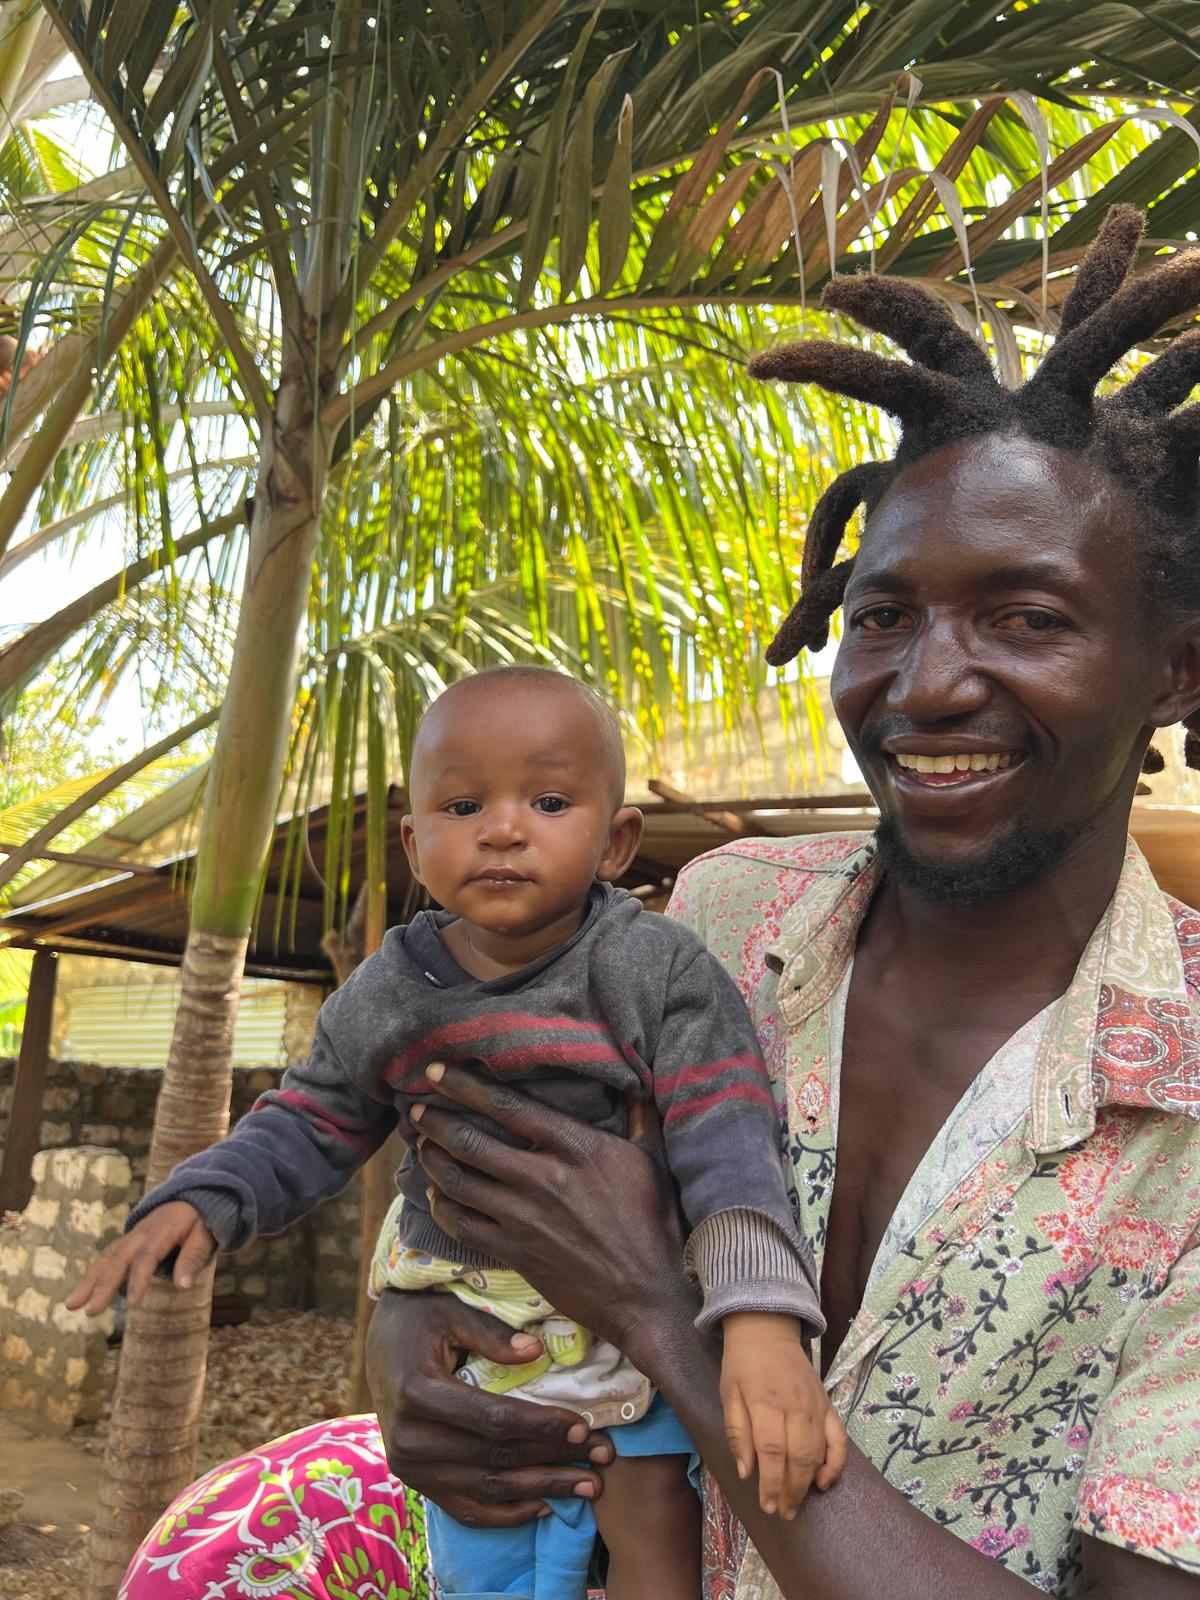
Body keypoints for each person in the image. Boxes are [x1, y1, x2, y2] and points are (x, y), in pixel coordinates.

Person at [116, 204, 1200, 1600]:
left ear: (1174, 671)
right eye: (882, 616)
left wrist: (663, 1311)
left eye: (1029, 618)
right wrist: (410, 1348)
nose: (926, 684)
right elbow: (484, 1176)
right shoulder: (719, 918)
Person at [74, 666, 843, 1600]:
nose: (503, 829)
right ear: (415, 842)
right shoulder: (392, 992)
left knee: (650, 1521)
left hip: (632, 1321)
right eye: (464, 804)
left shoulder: (654, 969)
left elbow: (727, 1136)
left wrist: (760, 1325)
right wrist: (206, 1196)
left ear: (616, 841)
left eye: (549, 802)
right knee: (483, 1541)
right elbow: (313, 1116)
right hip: (472, 1331)